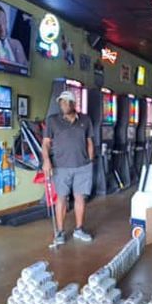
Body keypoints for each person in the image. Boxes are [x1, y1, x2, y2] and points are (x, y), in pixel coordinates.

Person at [42, 91, 95, 245]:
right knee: (61, 198)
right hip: (61, 166)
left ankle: (79, 229)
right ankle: (60, 232)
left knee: (80, 198)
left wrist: (90, 161)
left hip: (83, 166)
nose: (64, 105)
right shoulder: (52, 121)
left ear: (74, 104)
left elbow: (89, 142)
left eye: (67, 102)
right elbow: (46, 143)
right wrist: (46, 161)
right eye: (62, 102)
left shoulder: (85, 120)